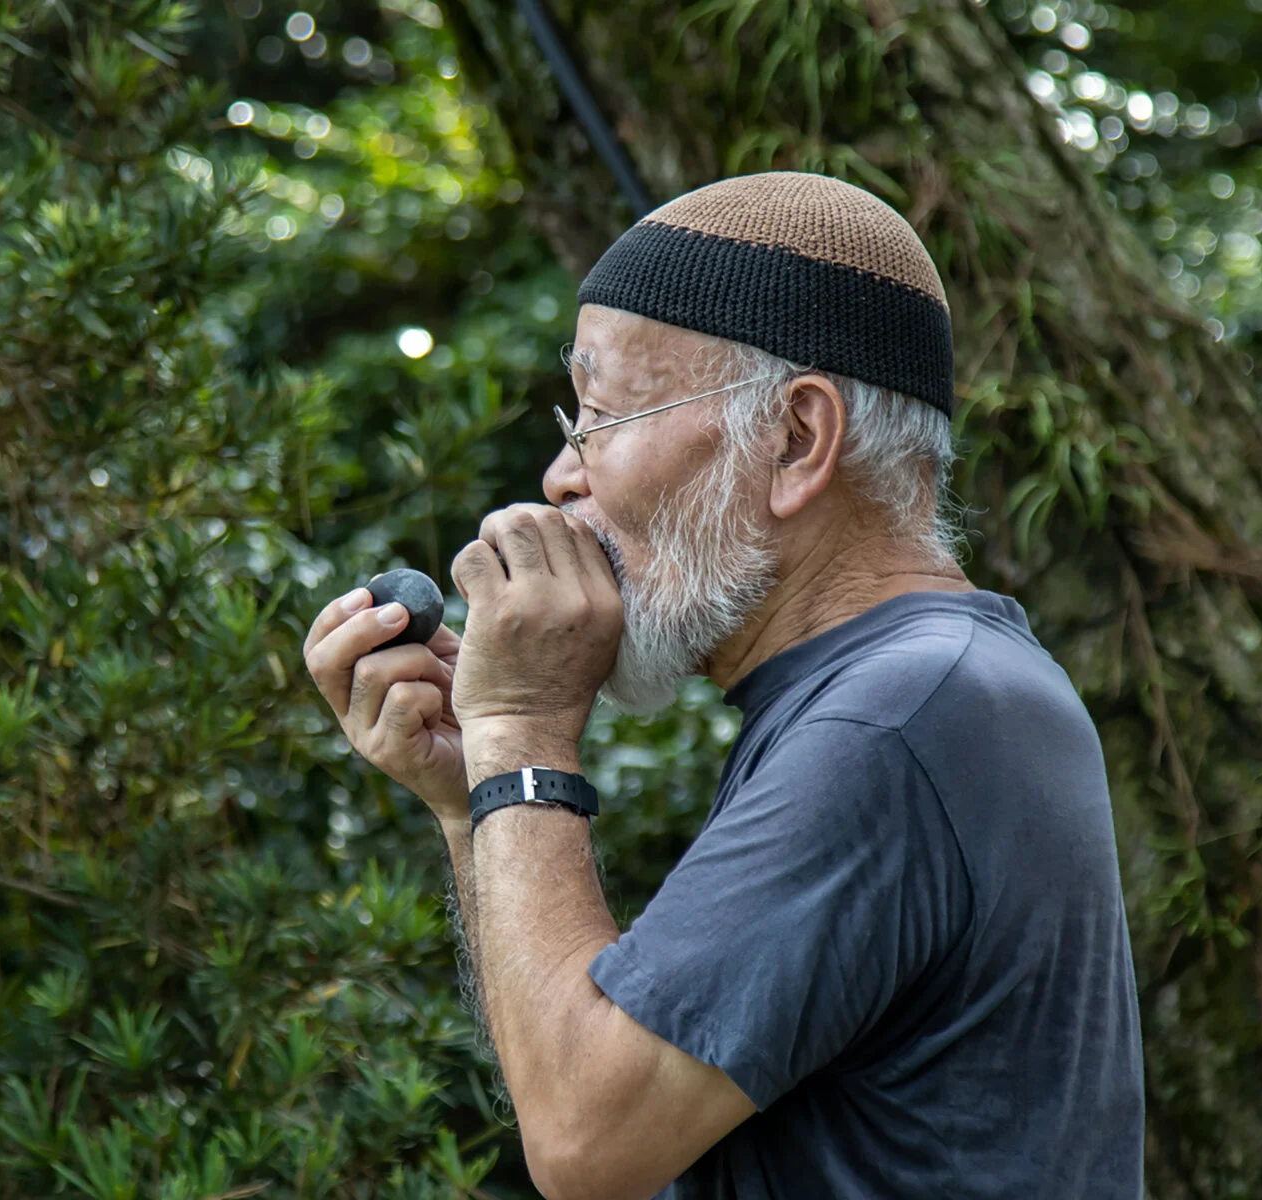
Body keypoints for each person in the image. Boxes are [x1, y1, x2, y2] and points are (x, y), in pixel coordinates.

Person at [303, 171, 1143, 1200]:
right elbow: (596, 1074)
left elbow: (585, 1141)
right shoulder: (932, 692)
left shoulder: (895, 719)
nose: (563, 476)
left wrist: (522, 732)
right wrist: (471, 789)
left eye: (602, 414)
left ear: (795, 439)